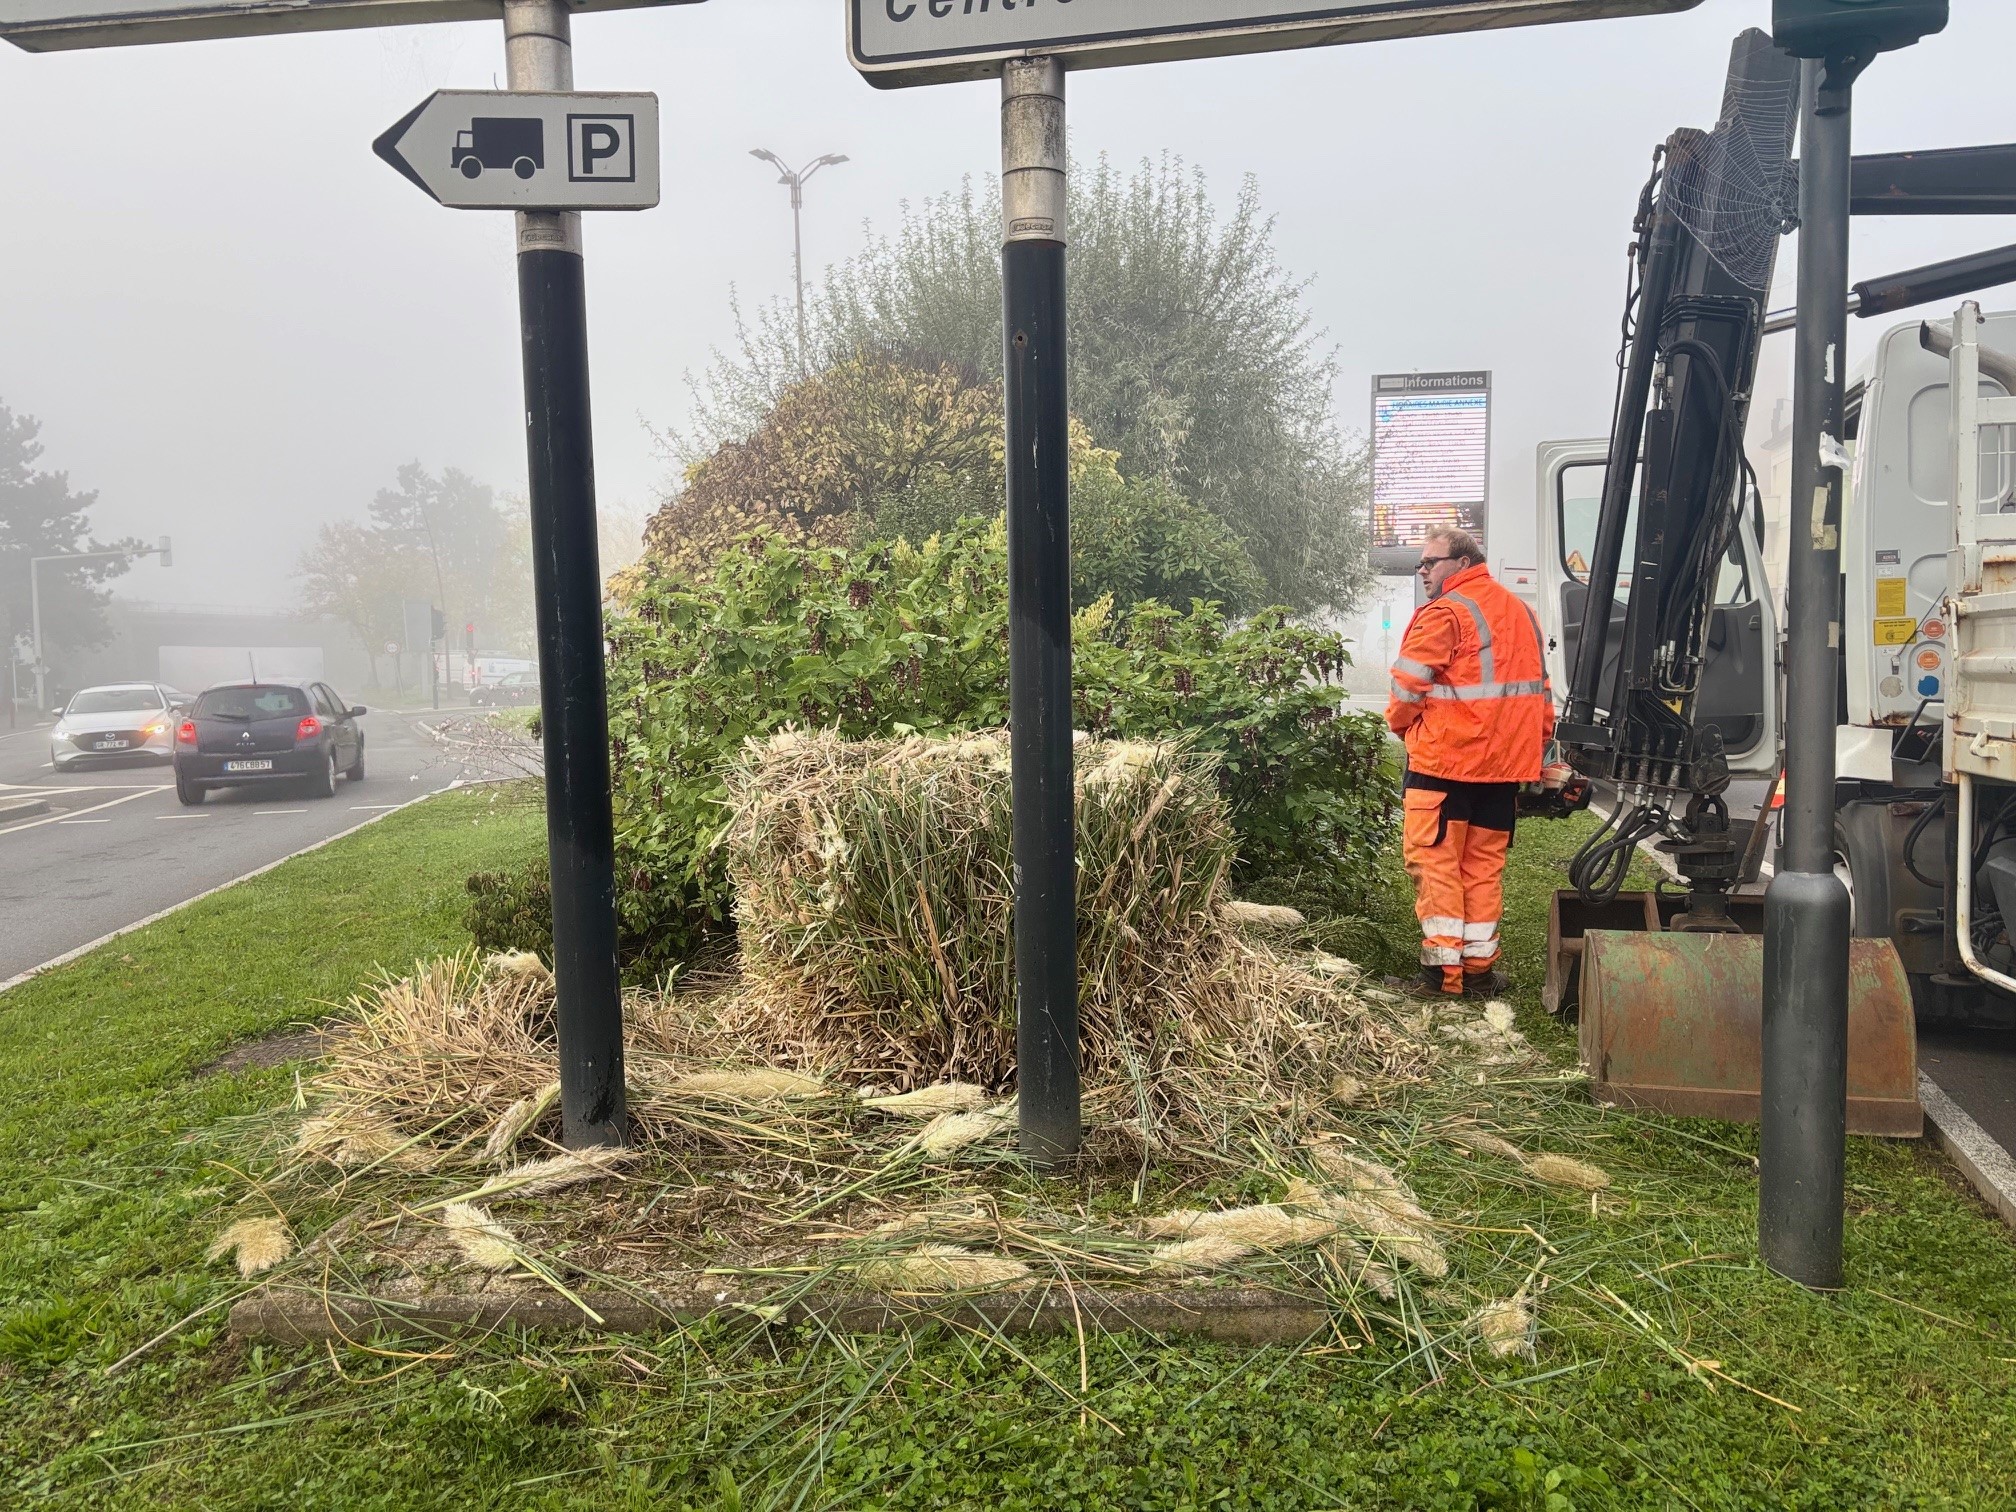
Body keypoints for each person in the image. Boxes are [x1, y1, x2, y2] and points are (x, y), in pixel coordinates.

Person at [1386, 526, 1553, 998]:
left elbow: (1406, 690)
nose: (1422, 571)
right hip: (1502, 774)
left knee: (1437, 865)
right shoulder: (1522, 613)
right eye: (1421, 564)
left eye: (1430, 562)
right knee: (1482, 869)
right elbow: (1541, 694)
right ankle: (1478, 973)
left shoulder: (1445, 612)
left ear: (1462, 562)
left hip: (1444, 766)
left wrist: (1403, 729)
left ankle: (1443, 978)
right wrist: (1533, 750)